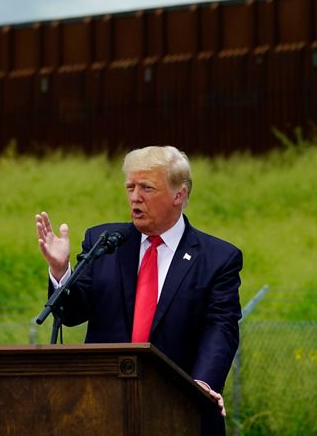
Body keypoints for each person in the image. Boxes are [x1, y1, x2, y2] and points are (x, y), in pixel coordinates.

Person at [35, 145, 243, 436]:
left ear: (179, 195)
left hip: (178, 409)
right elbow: (71, 314)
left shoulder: (217, 258)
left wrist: (203, 384)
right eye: (130, 187)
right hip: (102, 407)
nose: (135, 197)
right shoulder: (104, 242)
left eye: (147, 187)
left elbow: (220, 326)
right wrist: (60, 271)